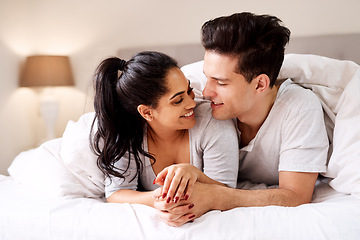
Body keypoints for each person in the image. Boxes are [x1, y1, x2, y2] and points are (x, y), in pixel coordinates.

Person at [153, 12, 329, 226]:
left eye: (221, 82)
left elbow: (296, 196)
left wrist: (215, 196)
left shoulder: (298, 108)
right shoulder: (191, 96)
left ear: (260, 85)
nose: (206, 92)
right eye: (207, 77)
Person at [90, 51, 239, 210]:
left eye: (189, 90)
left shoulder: (212, 122)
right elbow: (116, 193)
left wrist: (195, 174)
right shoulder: (128, 130)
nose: (192, 103)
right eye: (178, 100)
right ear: (147, 112)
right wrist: (162, 199)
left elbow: (226, 191)